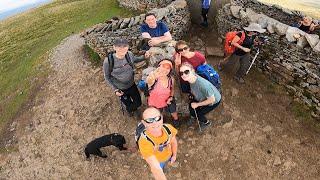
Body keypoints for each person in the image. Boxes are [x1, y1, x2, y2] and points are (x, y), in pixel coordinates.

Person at [103, 38, 149, 117]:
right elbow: (107, 77)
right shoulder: (108, 61)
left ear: (128, 47)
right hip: (120, 88)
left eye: (124, 46)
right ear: (114, 47)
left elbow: (135, 59)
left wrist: (144, 57)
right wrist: (115, 89)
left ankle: (132, 108)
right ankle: (131, 110)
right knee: (127, 103)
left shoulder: (129, 54)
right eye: (119, 46)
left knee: (138, 102)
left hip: (131, 84)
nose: (122, 49)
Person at [138, 107, 178, 180]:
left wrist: (174, 155)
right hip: (158, 160)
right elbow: (155, 168)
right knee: (160, 168)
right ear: (144, 123)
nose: (155, 123)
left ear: (162, 118)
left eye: (157, 118)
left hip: (169, 154)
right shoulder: (144, 142)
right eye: (149, 120)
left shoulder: (168, 129)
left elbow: (173, 142)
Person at [179, 63, 221, 130]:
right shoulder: (191, 79)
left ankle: (206, 123)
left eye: (186, 71)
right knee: (191, 106)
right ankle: (193, 117)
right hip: (202, 97)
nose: (183, 74)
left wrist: (197, 104)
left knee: (199, 114)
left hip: (214, 101)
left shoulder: (203, 84)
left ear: (192, 71)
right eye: (181, 73)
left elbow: (212, 100)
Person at [146, 60, 180, 128]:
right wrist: (153, 76)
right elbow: (149, 81)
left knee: (173, 111)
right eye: (163, 66)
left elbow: (172, 89)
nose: (165, 69)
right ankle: (160, 123)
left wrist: (171, 97)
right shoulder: (154, 77)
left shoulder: (171, 79)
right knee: (158, 114)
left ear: (170, 70)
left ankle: (176, 121)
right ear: (159, 67)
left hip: (168, 100)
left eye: (168, 68)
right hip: (155, 102)